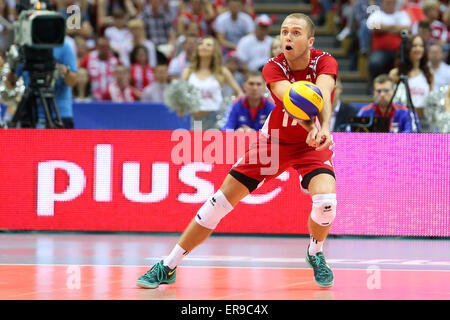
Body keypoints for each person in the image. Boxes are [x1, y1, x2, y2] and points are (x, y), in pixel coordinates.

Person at [137, 13, 339, 289]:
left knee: (326, 201)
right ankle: (169, 265)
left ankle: (315, 252)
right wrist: (312, 128)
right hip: (274, 143)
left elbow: (323, 93)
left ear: (310, 40)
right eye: (283, 32)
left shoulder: (324, 61)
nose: (287, 37)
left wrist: (324, 127)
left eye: (295, 33)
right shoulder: (273, 66)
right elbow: (294, 100)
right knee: (219, 203)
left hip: (310, 148)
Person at [5, 39, 78, 128]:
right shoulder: (25, 47)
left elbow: (73, 82)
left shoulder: (63, 46)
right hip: (30, 113)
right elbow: (10, 85)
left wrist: (65, 72)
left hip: (59, 113)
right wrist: (12, 67)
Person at [181, 36, 244, 129]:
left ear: (214, 50)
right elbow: (181, 94)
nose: (203, 46)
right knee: (196, 143)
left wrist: (232, 109)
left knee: (215, 143)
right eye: (201, 44)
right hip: (196, 118)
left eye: (208, 45)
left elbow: (240, 93)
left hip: (217, 118)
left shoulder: (221, 71)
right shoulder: (188, 71)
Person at [389, 34, 433, 119]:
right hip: (402, 119)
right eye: (414, 46)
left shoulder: (429, 73)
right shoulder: (396, 73)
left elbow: (431, 101)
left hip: (423, 119)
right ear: (407, 49)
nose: (418, 49)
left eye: (421, 46)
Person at [366, 0, 412, 83]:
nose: (390, 4)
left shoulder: (402, 14)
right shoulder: (377, 14)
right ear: (383, 3)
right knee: (375, 63)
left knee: (407, 63)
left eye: (392, 2)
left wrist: (385, 28)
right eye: (388, 2)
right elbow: (374, 26)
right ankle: (376, 85)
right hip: (380, 50)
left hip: (399, 50)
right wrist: (396, 28)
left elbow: (407, 28)